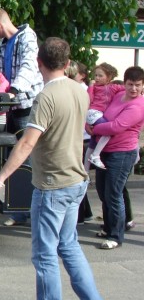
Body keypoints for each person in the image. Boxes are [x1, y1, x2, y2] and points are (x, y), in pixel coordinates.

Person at [0, 37, 105, 300]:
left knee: (45, 253)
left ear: (39, 64)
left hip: (53, 183)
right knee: (69, 246)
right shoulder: (80, 91)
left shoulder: (46, 97)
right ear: (67, 63)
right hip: (76, 179)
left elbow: (27, 143)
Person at [89, 65, 144, 249]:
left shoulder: (139, 105)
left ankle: (116, 236)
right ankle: (108, 226)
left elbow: (116, 126)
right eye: (130, 84)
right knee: (103, 190)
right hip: (105, 150)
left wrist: (93, 129)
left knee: (114, 193)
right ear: (125, 82)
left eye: (137, 85)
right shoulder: (119, 95)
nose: (133, 89)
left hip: (122, 153)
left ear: (143, 85)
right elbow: (104, 111)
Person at [0, 8, 43, 134]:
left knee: (25, 144)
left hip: (26, 103)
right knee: (11, 145)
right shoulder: (4, 42)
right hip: (10, 103)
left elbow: (29, 65)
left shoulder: (27, 37)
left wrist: (14, 90)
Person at [66, 60, 94, 223]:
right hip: (79, 137)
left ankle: (81, 214)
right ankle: (86, 212)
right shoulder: (78, 89)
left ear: (82, 76)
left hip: (82, 138)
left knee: (78, 176)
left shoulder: (82, 91)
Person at [83, 63, 125, 171]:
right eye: (95, 75)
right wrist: (91, 87)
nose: (96, 78)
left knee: (93, 142)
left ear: (109, 77)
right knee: (108, 131)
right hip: (93, 112)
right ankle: (96, 155)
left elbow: (124, 88)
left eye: (100, 76)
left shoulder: (113, 87)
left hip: (99, 115)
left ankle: (85, 171)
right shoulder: (94, 88)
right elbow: (89, 99)